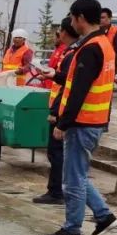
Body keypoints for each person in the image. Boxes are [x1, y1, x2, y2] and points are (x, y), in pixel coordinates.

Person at [43, 0, 117, 235]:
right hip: (95, 120)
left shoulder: (89, 48)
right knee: (78, 173)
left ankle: (72, 230)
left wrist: (62, 124)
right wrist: (57, 75)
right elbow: (81, 80)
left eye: (72, 17)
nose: (71, 23)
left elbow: (79, 90)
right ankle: (104, 216)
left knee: (73, 179)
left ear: (79, 18)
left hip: (83, 122)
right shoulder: (103, 44)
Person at [32, 18, 81, 205]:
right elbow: (66, 80)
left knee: (57, 153)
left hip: (62, 110)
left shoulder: (73, 54)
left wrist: (55, 113)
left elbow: (70, 88)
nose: (58, 33)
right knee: (59, 154)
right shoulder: (69, 52)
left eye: (59, 30)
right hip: (61, 107)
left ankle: (57, 192)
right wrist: (54, 75)